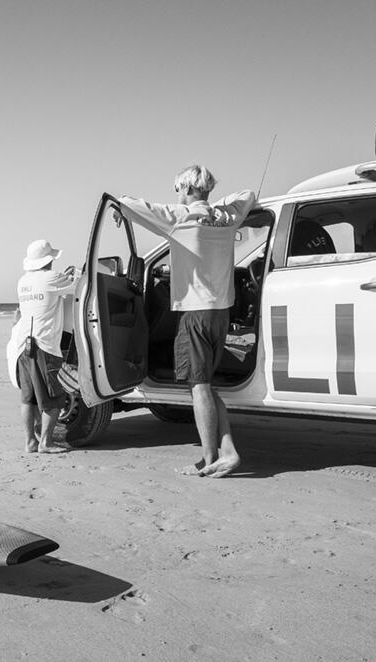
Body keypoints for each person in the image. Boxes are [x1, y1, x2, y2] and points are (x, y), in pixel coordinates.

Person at [116, 166, 256, 478]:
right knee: (207, 386)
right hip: (221, 312)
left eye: (178, 189)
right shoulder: (228, 217)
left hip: (195, 313)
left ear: (186, 189)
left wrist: (120, 210)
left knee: (199, 388)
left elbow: (133, 204)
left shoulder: (179, 217)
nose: (176, 195)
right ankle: (227, 451)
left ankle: (209, 460)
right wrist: (215, 206)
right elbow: (248, 195)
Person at [6, 239, 78, 454]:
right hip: (44, 346)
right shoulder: (53, 277)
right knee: (54, 398)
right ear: (49, 260)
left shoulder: (22, 281)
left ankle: (30, 442)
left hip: (22, 345)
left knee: (28, 399)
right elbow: (81, 285)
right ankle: (46, 443)